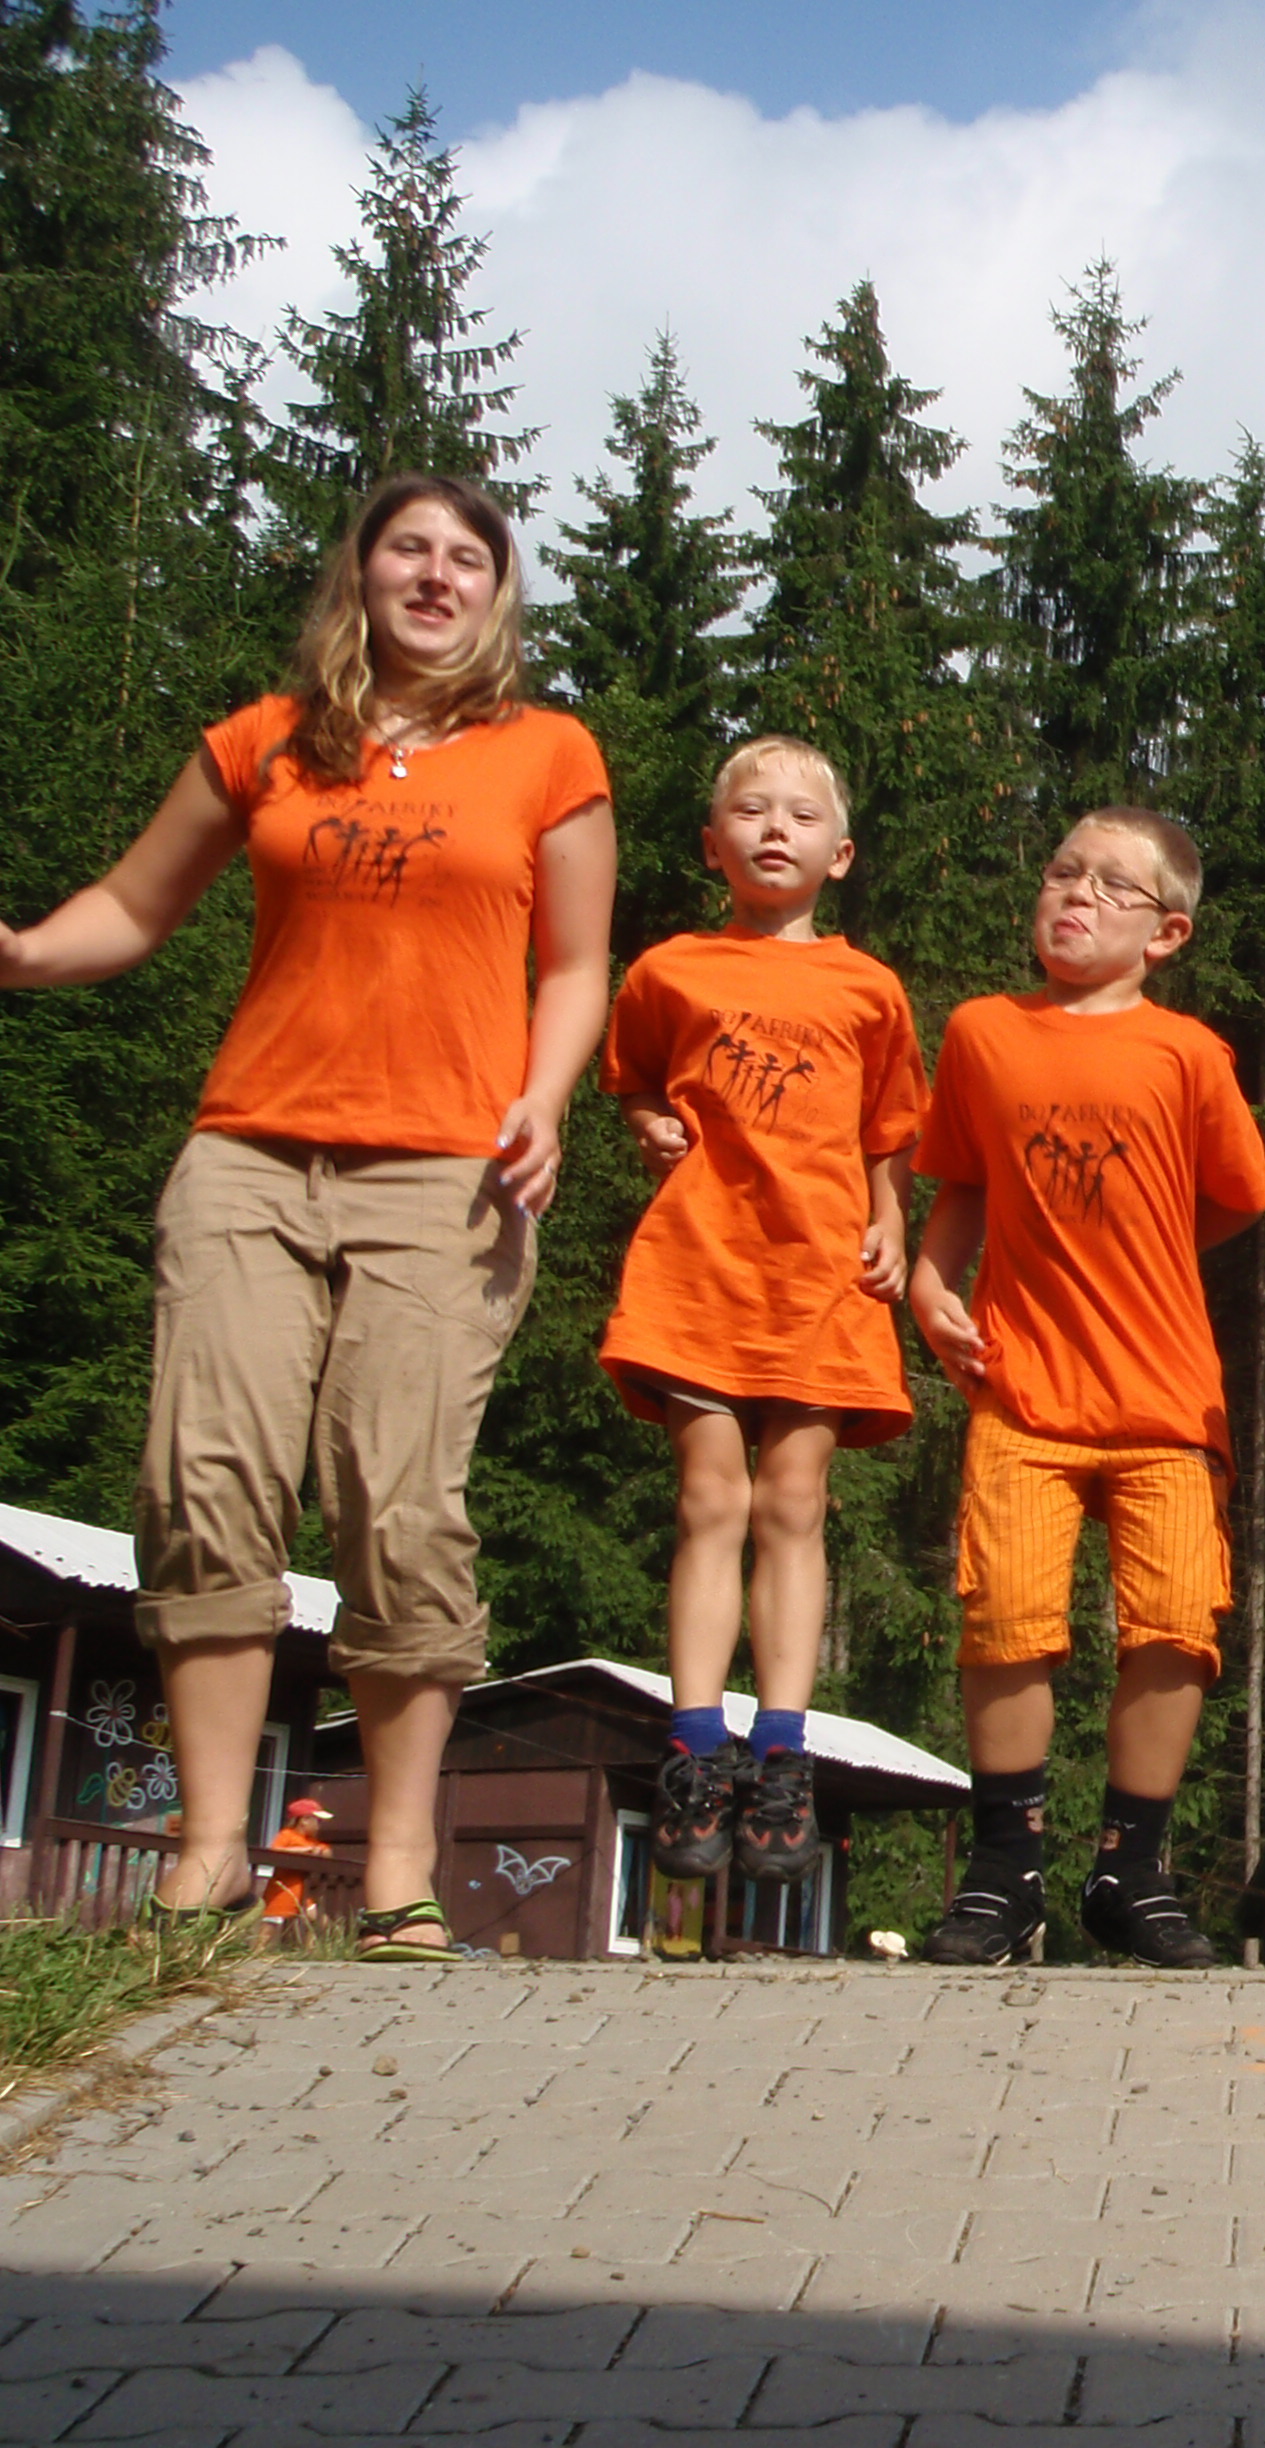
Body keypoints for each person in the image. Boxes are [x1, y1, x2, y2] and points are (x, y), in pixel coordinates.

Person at [0, 473, 614, 1961]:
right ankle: (208, 1853)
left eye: (468, 558)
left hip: (449, 1173)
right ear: (362, 572)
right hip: (249, 1157)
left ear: (497, 595)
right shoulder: (265, 741)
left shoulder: (548, 753)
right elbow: (132, 908)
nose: (437, 574)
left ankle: (397, 1868)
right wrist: (15, 954)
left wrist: (544, 1101)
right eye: (410, 547)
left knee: (398, 1508)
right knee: (202, 1484)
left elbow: (573, 965)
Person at [907, 808, 1265, 1967]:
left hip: (1167, 1399)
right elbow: (963, 1181)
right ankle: (1004, 1878)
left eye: (1114, 886)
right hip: (1022, 1391)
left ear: (1167, 934)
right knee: (1006, 1621)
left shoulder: (1188, 1054)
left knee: (1176, 1626)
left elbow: (1240, 1194)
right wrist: (928, 1280)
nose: (1077, 894)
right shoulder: (983, 1032)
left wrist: (1140, 1252)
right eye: (1064, 871)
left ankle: (1131, 1872)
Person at [597, 736, 925, 1889]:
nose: (774, 828)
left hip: (823, 1273)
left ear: (841, 856)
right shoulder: (667, 971)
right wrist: (647, 1121)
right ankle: (694, 1747)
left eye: (799, 815)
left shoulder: (869, 988)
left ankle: (783, 1753)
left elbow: (890, 1130)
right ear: (712, 845)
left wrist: (893, 1222)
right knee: (710, 1498)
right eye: (750, 810)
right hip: (701, 1266)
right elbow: (634, 1078)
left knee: (794, 1500)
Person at [261, 1797, 335, 1933]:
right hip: (282, 1891)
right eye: (317, 1821)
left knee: (321, 1922)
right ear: (304, 1820)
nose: (319, 1825)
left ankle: (322, 1944)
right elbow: (275, 1851)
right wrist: (304, 1851)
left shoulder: (312, 1841)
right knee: (269, 1928)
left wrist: (321, 1851)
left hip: (302, 1892)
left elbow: (326, 1852)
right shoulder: (287, 1835)